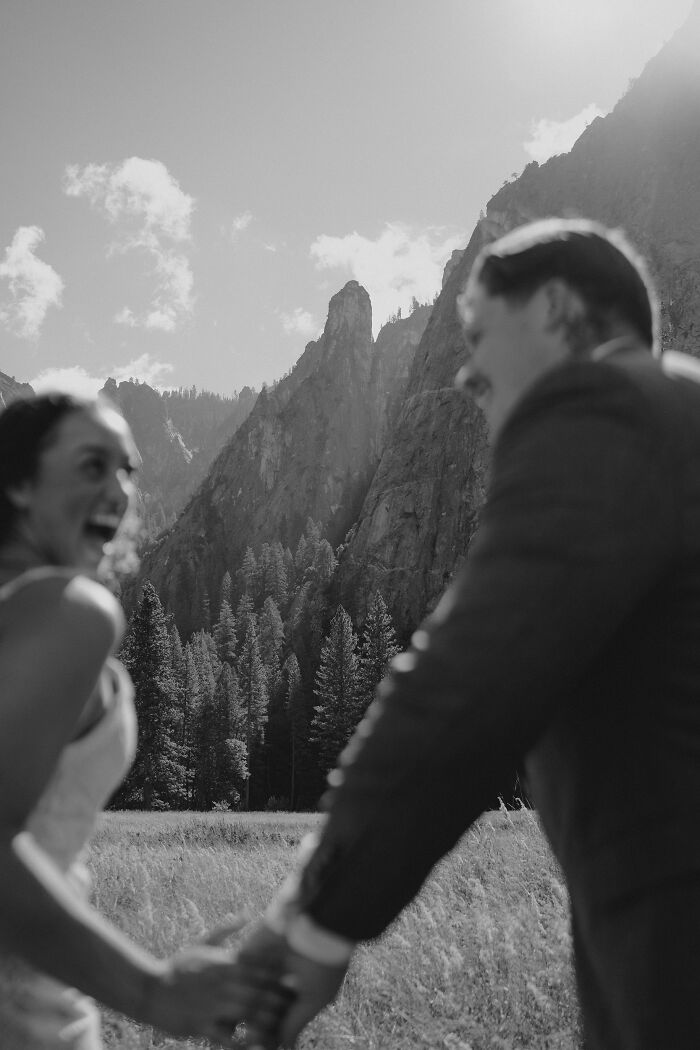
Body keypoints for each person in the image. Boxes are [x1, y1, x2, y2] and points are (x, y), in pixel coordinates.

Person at [237, 217, 700, 1050]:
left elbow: (470, 683)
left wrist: (315, 921)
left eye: (481, 333)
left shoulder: (604, 407)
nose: (466, 370)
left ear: (559, 311)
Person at [0, 392, 288, 1049]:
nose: (119, 489)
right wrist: (152, 992)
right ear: (19, 482)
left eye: (127, 470)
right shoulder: (71, 611)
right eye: (91, 466)